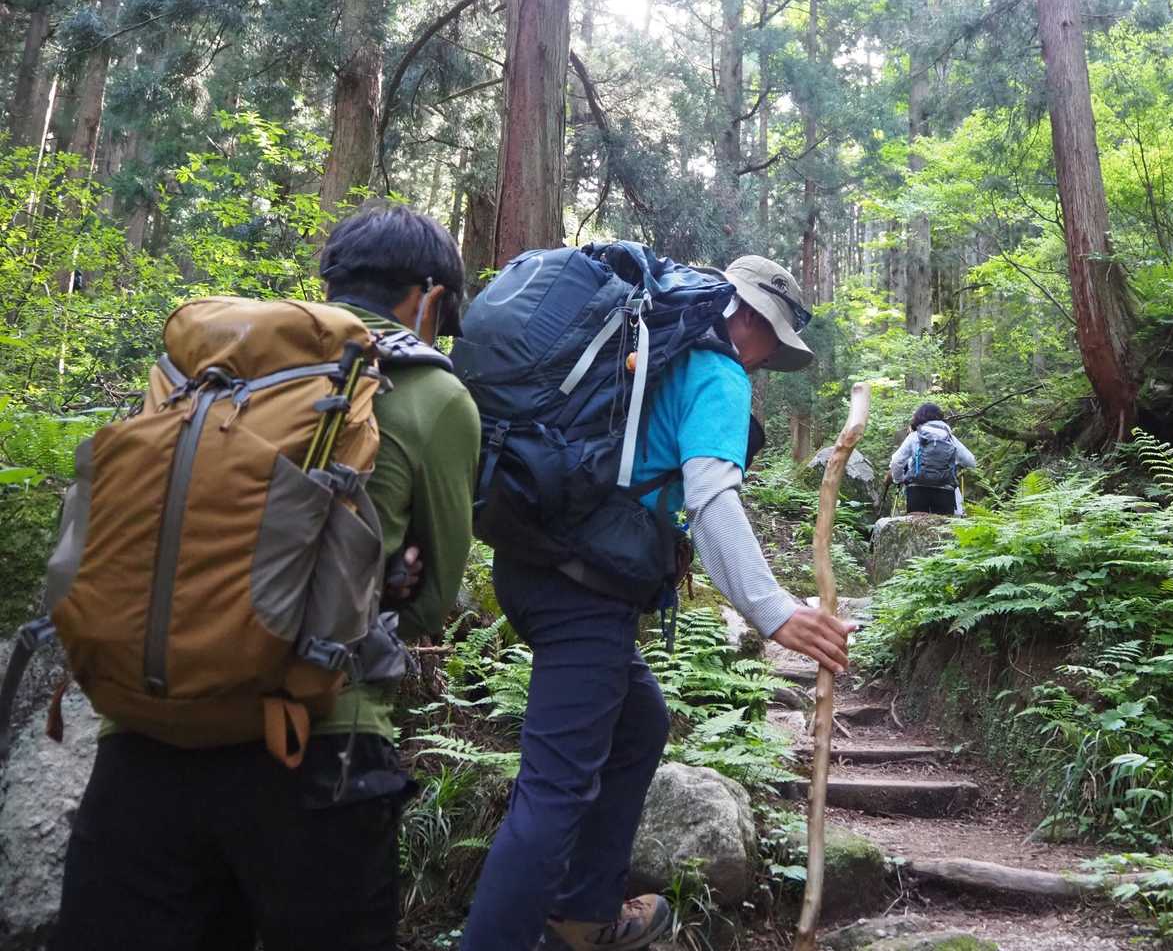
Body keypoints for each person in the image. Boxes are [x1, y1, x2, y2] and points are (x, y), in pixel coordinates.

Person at [53, 203, 482, 951]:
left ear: (330, 283)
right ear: (430, 299)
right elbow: (432, 602)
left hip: (143, 735)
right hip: (317, 743)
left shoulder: (204, 373)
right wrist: (379, 586)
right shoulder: (434, 395)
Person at [463, 256, 856, 951]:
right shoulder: (717, 372)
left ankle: (582, 914)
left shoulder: (652, 348)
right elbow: (711, 499)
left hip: (531, 564)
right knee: (554, 791)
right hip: (584, 591)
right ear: (747, 318)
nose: (766, 360)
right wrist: (774, 611)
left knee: (639, 722)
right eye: (770, 341)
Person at [886, 402, 977, 516]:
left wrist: (899, 479)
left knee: (917, 525)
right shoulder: (949, 438)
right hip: (945, 490)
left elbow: (897, 461)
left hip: (917, 489)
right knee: (943, 526)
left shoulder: (915, 436)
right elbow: (971, 462)